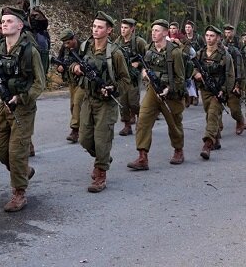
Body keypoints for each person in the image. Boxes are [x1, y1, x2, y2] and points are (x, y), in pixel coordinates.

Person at [0, 7, 45, 212]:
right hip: (4, 105)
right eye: (3, 21)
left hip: (23, 108)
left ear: (20, 25)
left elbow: (39, 82)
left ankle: (19, 193)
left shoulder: (29, 50)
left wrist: (22, 97)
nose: (5, 24)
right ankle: (24, 171)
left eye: (10, 21)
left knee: (16, 152)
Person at [70, 11, 130, 192]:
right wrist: (76, 68)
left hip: (106, 102)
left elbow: (126, 81)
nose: (95, 30)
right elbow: (70, 65)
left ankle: (101, 174)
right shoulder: (84, 48)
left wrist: (112, 88)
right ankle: (103, 158)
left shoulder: (116, 53)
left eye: (100, 27)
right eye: (94, 26)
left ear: (109, 30)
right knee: (84, 139)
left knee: (102, 139)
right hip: (88, 98)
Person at [127, 19, 186, 170]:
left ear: (165, 33)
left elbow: (180, 78)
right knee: (143, 121)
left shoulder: (175, 52)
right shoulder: (148, 49)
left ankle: (178, 150)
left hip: (170, 94)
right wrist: (144, 73)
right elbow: (144, 69)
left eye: (157, 30)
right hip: (153, 91)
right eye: (152, 30)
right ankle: (142, 157)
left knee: (174, 124)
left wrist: (169, 90)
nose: (153, 33)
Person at [193, 26, 235, 160]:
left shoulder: (225, 56)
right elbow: (191, 67)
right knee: (209, 113)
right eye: (207, 35)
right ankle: (215, 138)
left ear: (218, 38)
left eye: (212, 36)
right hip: (205, 90)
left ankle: (207, 144)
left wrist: (224, 91)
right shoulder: (200, 54)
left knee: (212, 114)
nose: (209, 38)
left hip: (219, 91)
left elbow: (230, 75)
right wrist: (196, 73)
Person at [115, 18, 147, 136]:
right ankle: (127, 126)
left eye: (126, 28)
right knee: (123, 102)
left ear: (132, 29)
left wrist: (139, 63)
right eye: (122, 27)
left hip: (133, 76)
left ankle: (140, 120)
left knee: (133, 101)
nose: (123, 30)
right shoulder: (117, 42)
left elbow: (148, 56)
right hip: (122, 76)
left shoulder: (139, 42)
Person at [55, 28, 84, 143]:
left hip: (82, 81)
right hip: (71, 81)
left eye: (68, 42)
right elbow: (59, 59)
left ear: (74, 39)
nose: (66, 45)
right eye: (64, 43)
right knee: (73, 105)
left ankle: (75, 130)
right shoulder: (65, 48)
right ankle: (81, 127)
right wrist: (59, 67)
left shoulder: (83, 47)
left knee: (77, 104)